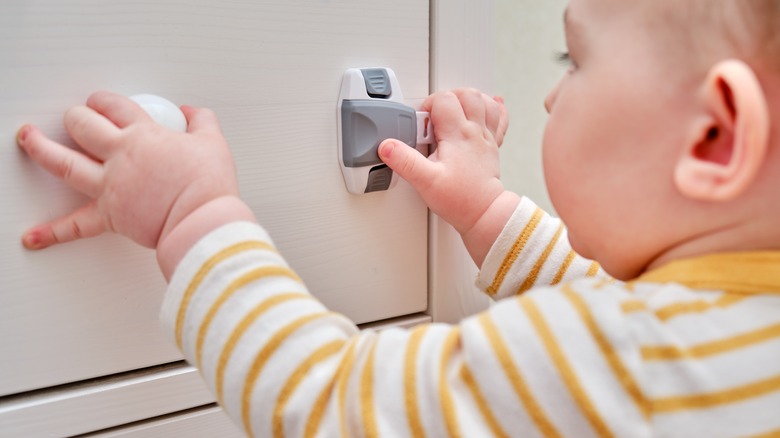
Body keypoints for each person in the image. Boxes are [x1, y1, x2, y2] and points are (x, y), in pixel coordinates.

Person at [16, 0, 780, 436]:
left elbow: (334, 400)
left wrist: (195, 213)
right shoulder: (732, 334)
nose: (551, 98)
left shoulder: (626, 366)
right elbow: (592, 295)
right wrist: (483, 206)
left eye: (571, 63)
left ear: (715, 137)